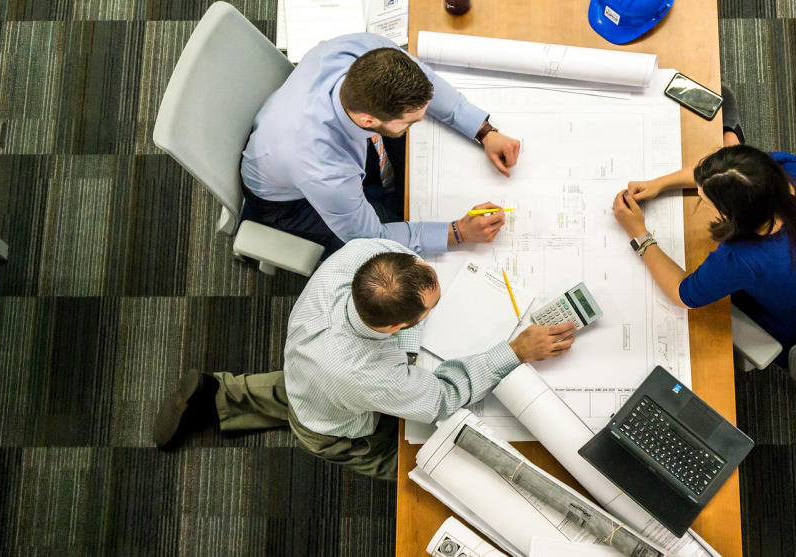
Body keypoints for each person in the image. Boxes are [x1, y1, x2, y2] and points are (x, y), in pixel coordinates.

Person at [152, 239, 576, 480]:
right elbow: (442, 399)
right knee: (418, 463)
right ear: (394, 328)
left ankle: (219, 393)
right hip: (334, 426)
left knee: (304, 388)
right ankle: (426, 473)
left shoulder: (361, 256)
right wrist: (514, 351)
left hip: (309, 366)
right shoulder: (366, 374)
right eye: (430, 309)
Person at [609, 93, 796, 364]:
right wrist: (660, 183)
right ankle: (733, 136)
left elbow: (684, 294)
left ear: (733, 215)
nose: (701, 200)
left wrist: (639, 234)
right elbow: (722, 173)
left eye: (706, 200)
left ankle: (731, 133)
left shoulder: (741, 260)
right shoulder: (792, 169)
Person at [240, 33, 522, 257]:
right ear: (368, 119)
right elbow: (372, 238)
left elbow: (428, 81)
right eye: (411, 120)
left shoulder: (365, 50)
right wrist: (457, 232)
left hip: (295, 140)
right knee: (395, 254)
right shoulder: (324, 168)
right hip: (288, 203)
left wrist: (483, 131)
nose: (421, 121)